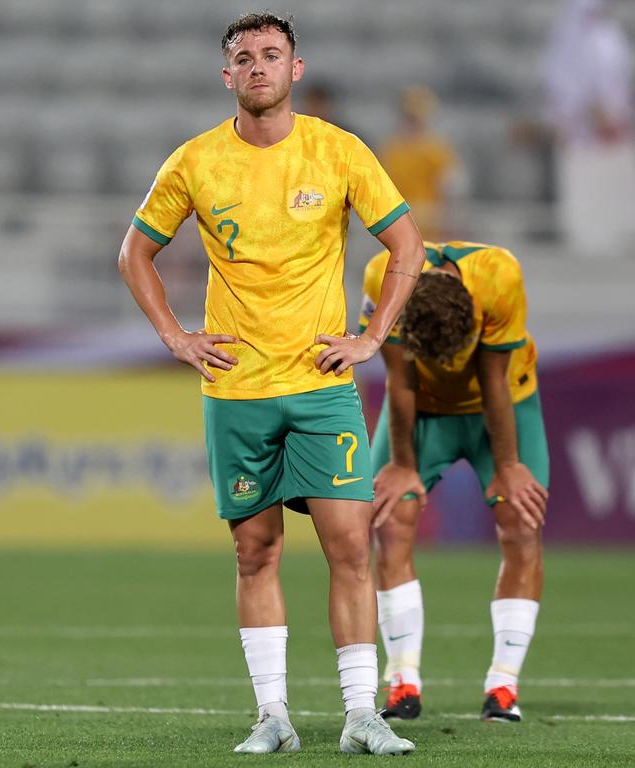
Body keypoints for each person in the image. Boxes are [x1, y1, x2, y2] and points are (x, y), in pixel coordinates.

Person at [117, 11, 425, 756]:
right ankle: (274, 716)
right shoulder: (195, 162)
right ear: (227, 76)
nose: (258, 66)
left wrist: (372, 337)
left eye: (271, 54)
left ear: (296, 69)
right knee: (254, 552)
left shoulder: (339, 151)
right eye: (244, 57)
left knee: (350, 545)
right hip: (236, 389)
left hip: (320, 383)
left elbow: (407, 245)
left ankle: (361, 714)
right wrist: (176, 337)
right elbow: (135, 254)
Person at [359, 241, 549, 723]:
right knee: (391, 520)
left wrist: (507, 466)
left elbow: (494, 382)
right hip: (422, 412)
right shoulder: (385, 276)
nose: (445, 366)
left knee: (521, 522)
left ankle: (503, 686)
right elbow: (400, 382)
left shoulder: (499, 276)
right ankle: (403, 681)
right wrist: (402, 464)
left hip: (505, 403)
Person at [542, 0, 635, 257]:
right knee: (585, 187)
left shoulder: (609, 35)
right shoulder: (570, 36)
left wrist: (617, 112)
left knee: (612, 185)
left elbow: (616, 79)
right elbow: (563, 79)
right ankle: (587, 242)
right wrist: (588, 107)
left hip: (614, 125)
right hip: (582, 127)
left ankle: (613, 239)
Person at [378, 86, 463, 241]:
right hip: (397, 225)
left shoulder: (437, 149)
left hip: (431, 227)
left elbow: (451, 189)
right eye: (409, 116)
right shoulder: (391, 149)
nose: (413, 121)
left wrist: (450, 223)